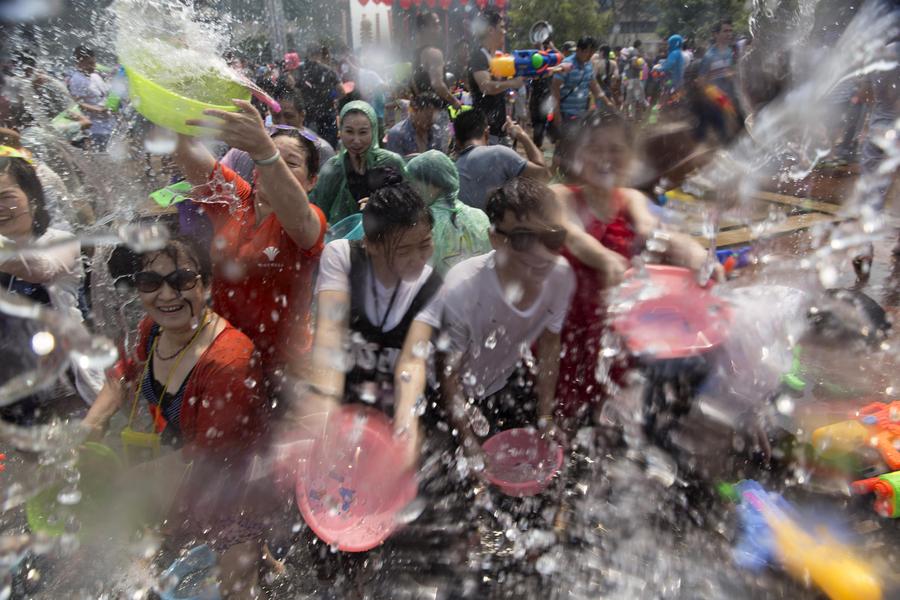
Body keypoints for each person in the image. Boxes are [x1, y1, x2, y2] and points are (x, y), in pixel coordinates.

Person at [83, 236, 266, 599]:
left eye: (182, 280)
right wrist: (92, 423)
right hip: (177, 463)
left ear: (208, 285)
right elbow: (126, 374)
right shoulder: (153, 332)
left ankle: (259, 559)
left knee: (235, 590)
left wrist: (132, 481)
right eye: (151, 283)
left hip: (234, 483)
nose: (166, 295)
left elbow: (211, 458)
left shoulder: (229, 361)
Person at [550, 108, 719, 427]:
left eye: (614, 149)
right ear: (577, 155)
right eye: (595, 148)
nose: (605, 158)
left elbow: (654, 229)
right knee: (568, 414)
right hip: (569, 327)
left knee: (616, 413)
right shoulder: (560, 196)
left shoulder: (630, 198)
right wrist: (604, 257)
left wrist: (695, 254)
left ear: (629, 157)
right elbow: (570, 234)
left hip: (618, 331)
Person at [173, 97, 327, 381]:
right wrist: (180, 103)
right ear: (255, 168)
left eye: (290, 163)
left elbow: (298, 216)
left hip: (285, 370)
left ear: (312, 181)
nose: (274, 168)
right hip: (225, 358)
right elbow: (186, 151)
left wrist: (264, 150)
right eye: (266, 161)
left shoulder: (310, 219)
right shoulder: (235, 199)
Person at [433, 177, 575, 458]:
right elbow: (447, 375)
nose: (541, 253)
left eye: (552, 238)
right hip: (443, 392)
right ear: (495, 239)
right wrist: (467, 441)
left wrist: (545, 416)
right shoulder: (463, 289)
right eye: (524, 239)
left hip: (500, 382)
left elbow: (549, 347)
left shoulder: (560, 276)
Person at [305, 175, 442, 466]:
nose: (419, 259)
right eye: (404, 251)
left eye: (425, 244)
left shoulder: (432, 285)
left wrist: (406, 427)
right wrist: (326, 408)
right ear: (371, 245)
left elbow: (412, 362)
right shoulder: (342, 257)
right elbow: (330, 333)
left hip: (394, 403)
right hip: (346, 397)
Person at [0, 145, 101, 418]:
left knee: (78, 451)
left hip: (65, 379)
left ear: (32, 198)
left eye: (7, 197)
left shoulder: (59, 241)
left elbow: (41, 269)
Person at [311, 100, 406, 224]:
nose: (356, 140)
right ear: (340, 131)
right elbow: (317, 212)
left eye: (363, 132)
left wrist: (382, 206)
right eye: (349, 132)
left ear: (374, 131)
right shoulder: (334, 169)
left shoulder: (390, 162)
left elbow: (409, 205)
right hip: (343, 240)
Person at [221, 88, 334, 182]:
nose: (282, 122)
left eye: (289, 116)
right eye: (276, 116)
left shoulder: (321, 149)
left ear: (302, 115)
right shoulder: (253, 145)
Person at [406, 150, 491, 275]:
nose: (412, 190)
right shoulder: (479, 216)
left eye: (415, 183)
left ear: (434, 184)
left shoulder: (424, 223)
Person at [453, 108, 548, 210]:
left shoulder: (453, 169)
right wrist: (522, 136)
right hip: (497, 224)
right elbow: (543, 175)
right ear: (487, 133)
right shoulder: (498, 154)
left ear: (457, 142)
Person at [467, 8, 524, 143]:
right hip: (485, 132)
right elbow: (486, 87)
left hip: (501, 129)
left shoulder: (499, 57)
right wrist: (513, 83)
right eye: (502, 27)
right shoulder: (479, 56)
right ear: (490, 30)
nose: (504, 32)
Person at [295, 43, 345, 148]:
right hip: (327, 115)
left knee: (311, 148)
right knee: (329, 148)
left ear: (308, 54)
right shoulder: (328, 71)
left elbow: (296, 92)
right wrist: (332, 97)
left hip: (309, 116)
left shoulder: (301, 70)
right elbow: (342, 91)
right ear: (319, 54)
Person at [66, 45, 114, 151]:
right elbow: (76, 104)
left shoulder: (95, 76)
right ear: (80, 62)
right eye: (90, 64)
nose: (93, 66)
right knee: (101, 158)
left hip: (109, 125)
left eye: (94, 63)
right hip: (95, 129)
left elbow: (105, 94)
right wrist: (99, 110)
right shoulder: (77, 80)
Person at [552, 36, 607, 127]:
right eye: (587, 52)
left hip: (583, 114)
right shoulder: (566, 65)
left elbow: (595, 87)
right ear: (578, 50)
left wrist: (607, 102)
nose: (589, 55)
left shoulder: (588, 65)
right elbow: (555, 89)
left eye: (592, 53)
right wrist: (556, 113)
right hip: (566, 114)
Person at [412, 11, 462, 111]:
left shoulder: (416, 53)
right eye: (435, 24)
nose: (439, 28)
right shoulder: (434, 53)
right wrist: (454, 101)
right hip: (436, 111)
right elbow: (437, 84)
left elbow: (413, 83)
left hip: (421, 112)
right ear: (424, 29)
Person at [385, 93, 449, 157]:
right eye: (428, 116)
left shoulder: (436, 131)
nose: (432, 121)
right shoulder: (397, 134)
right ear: (414, 111)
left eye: (435, 117)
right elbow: (395, 165)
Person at [699, 20, 739, 107]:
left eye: (730, 31)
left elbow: (732, 72)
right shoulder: (709, 56)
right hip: (717, 104)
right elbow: (702, 82)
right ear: (715, 34)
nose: (729, 34)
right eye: (725, 31)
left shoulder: (731, 52)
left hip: (732, 100)